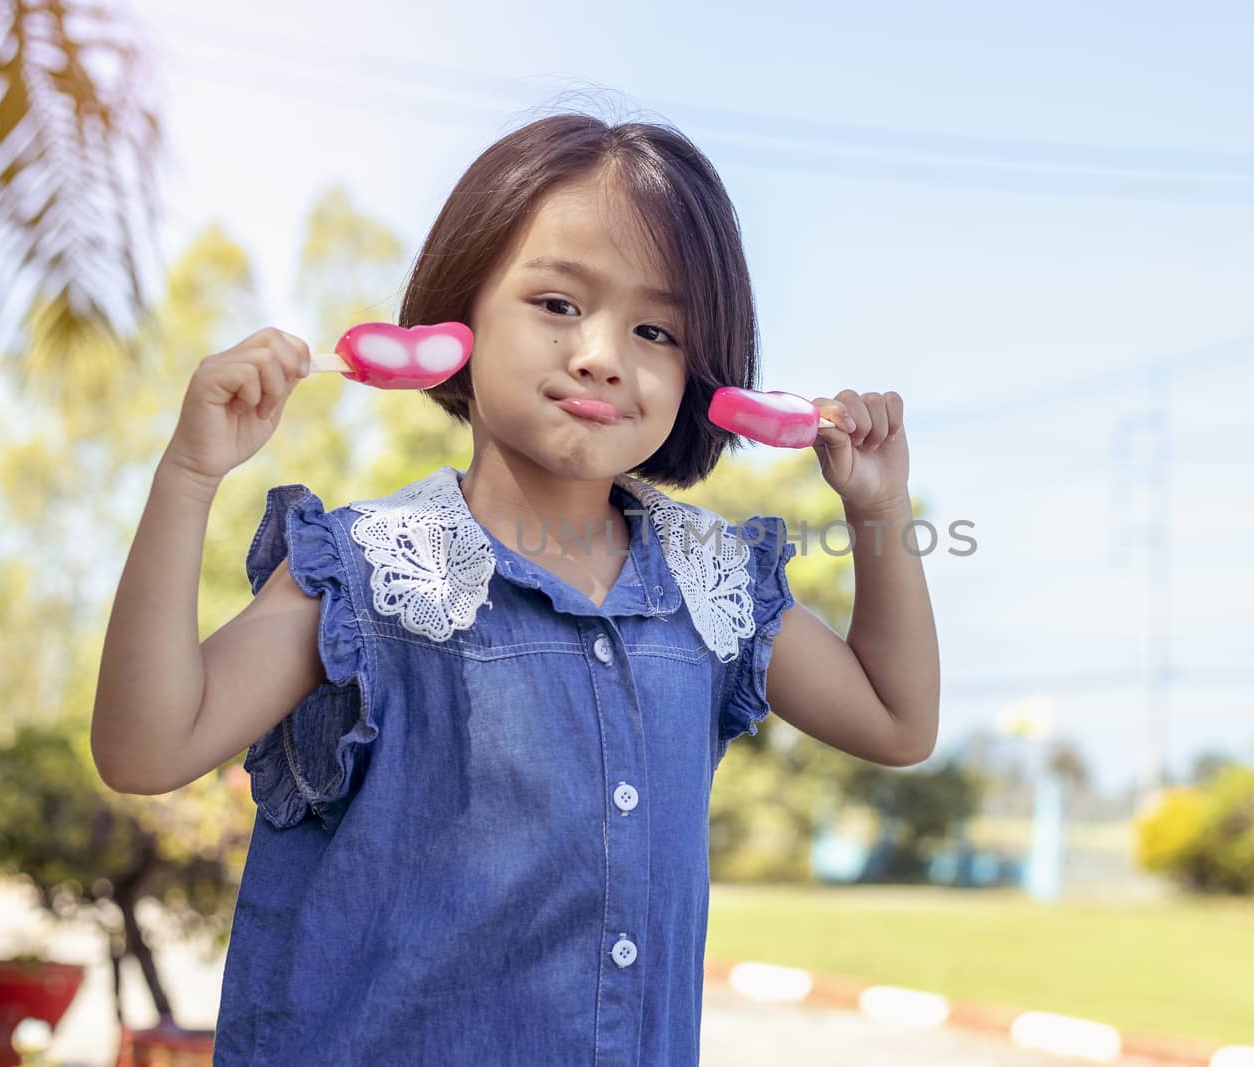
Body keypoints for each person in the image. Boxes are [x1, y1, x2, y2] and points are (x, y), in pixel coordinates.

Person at [91, 111, 940, 1065]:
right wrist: (190, 476)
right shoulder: (372, 567)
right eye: (558, 304)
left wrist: (881, 506)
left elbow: (896, 719)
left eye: (655, 328)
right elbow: (144, 746)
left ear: (700, 374)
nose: (602, 354)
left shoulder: (713, 585)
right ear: (456, 322)